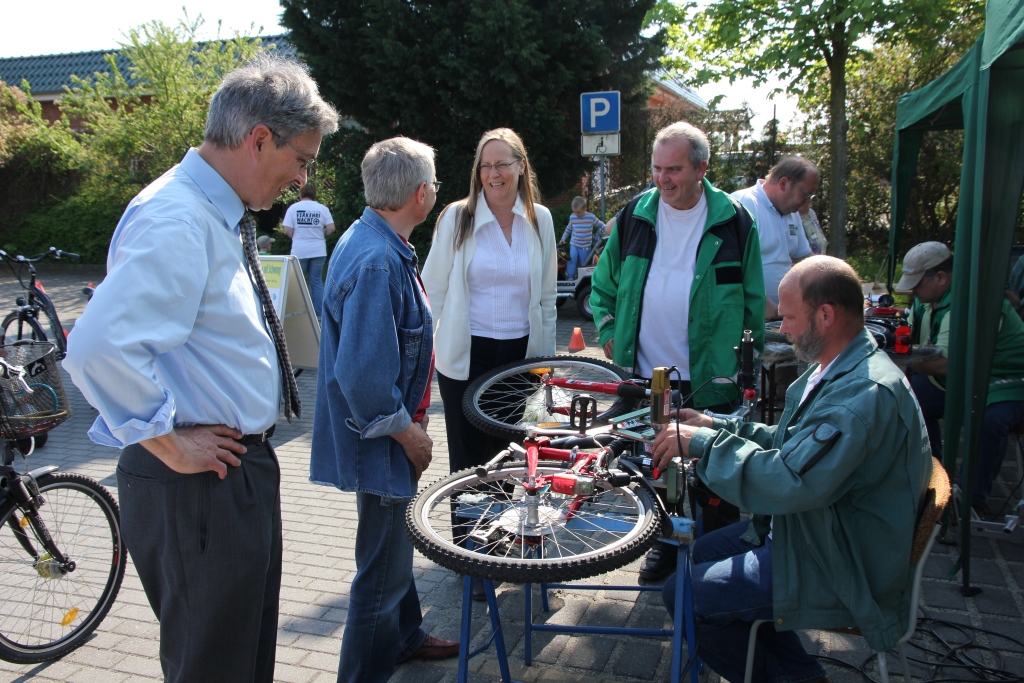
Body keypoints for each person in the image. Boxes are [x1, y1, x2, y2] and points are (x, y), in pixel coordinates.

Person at [64, 54, 339, 683]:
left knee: (236, 660)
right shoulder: (179, 216)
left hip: (223, 476)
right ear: (259, 139)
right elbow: (97, 348)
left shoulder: (207, 210)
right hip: (199, 483)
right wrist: (169, 444)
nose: (302, 180)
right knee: (215, 667)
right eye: (302, 159)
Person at [652, 256, 932, 683]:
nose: (781, 329)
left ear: (825, 315)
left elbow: (789, 481)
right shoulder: (841, 368)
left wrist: (703, 446)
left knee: (685, 594)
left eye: (788, 317)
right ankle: (800, 675)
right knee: (698, 556)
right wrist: (715, 424)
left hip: (841, 559)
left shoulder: (861, 395)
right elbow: (794, 446)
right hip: (821, 528)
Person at [589, 121, 765, 582]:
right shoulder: (635, 215)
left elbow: (751, 299)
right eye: (657, 169)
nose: (663, 179)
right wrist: (608, 329)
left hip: (714, 373)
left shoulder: (733, 220)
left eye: (674, 169)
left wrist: (749, 364)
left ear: (702, 168)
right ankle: (664, 546)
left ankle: (716, 561)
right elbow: (603, 287)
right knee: (660, 464)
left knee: (716, 469)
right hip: (652, 374)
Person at [311, 136, 459, 682]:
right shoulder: (377, 260)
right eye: (436, 185)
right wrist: (409, 435)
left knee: (392, 550)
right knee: (380, 575)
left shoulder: (376, 238)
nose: (436, 192)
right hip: (380, 440)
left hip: (385, 435)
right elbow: (365, 377)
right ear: (421, 193)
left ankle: (407, 636)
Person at [421, 128, 556, 494]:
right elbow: (431, 289)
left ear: (521, 166)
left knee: (505, 459)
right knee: (467, 464)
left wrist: (544, 362)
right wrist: (422, 356)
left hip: (517, 360)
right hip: (466, 357)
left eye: (502, 165)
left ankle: (498, 544)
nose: (493, 174)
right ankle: (465, 548)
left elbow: (546, 298)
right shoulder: (457, 217)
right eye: (485, 166)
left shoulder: (540, 219)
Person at [897, 241, 1024, 513]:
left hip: (1008, 382)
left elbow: (945, 365)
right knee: (910, 394)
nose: (913, 291)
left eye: (917, 284)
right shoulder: (929, 300)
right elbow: (910, 340)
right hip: (969, 382)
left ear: (941, 278)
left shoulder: (968, 303)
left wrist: (896, 357)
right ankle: (931, 477)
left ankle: (970, 500)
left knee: (988, 419)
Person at [733, 156, 819, 317]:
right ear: (784, 183)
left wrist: (832, 285)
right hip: (752, 317)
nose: (808, 202)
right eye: (805, 194)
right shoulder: (744, 204)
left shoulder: (792, 213)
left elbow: (806, 260)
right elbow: (730, 268)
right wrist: (764, 305)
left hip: (782, 317)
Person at [283, 182, 335, 318]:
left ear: (301, 194)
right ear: (314, 195)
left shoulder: (293, 209)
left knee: (297, 283)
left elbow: (287, 230)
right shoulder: (322, 209)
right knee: (316, 281)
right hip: (318, 250)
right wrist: (319, 234)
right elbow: (331, 228)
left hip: (299, 251)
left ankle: (298, 314)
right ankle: (320, 315)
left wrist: (299, 236)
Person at [559, 196, 605, 279]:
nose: (577, 214)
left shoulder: (591, 217)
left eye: (579, 212)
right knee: (572, 259)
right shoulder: (573, 217)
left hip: (585, 246)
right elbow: (568, 229)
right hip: (574, 244)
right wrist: (563, 238)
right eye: (575, 212)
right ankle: (570, 276)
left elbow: (600, 224)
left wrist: (608, 229)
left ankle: (581, 277)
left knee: (584, 263)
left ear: (585, 209)